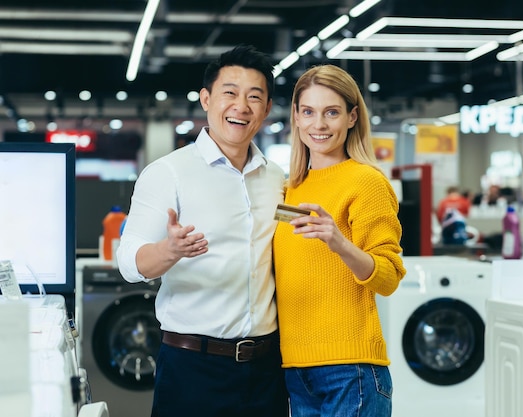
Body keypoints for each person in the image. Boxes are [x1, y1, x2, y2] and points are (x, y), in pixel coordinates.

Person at [116, 45, 288, 417]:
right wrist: (169, 251)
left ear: (267, 109)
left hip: (267, 369)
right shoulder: (168, 173)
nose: (241, 106)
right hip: (193, 367)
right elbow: (129, 261)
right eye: (230, 92)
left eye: (254, 96)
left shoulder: (277, 178)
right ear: (206, 99)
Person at [273, 64, 406, 417]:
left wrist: (339, 242)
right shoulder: (290, 189)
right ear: (296, 119)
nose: (319, 124)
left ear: (352, 117)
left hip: (351, 370)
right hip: (294, 368)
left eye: (331, 112)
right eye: (309, 112)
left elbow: (389, 276)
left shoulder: (367, 182)